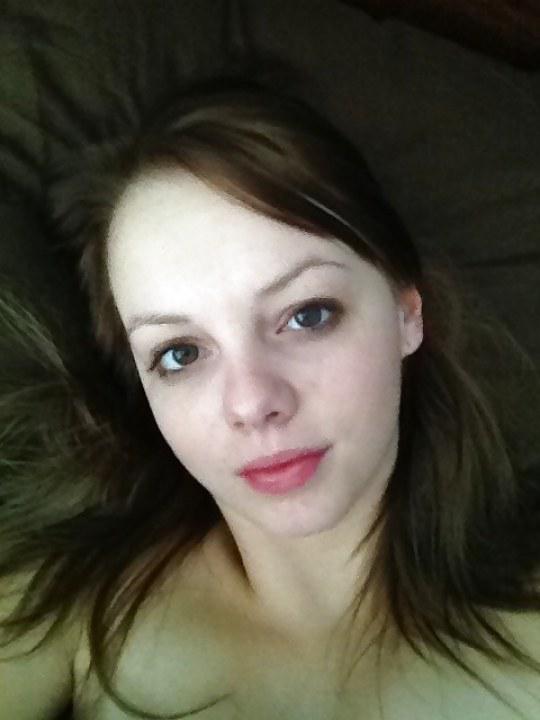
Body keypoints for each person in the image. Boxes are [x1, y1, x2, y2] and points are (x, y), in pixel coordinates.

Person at [1, 71, 539, 720]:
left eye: (307, 315)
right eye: (180, 353)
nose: (252, 402)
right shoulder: (64, 608)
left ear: (406, 314)